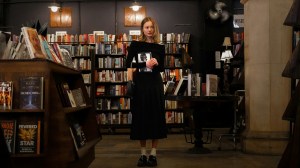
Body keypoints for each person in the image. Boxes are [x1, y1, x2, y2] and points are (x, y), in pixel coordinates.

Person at [126, 16, 167, 167]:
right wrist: (146, 63)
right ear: (142, 29)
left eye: (151, 27)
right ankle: (143, 154)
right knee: (141, 117)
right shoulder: (135, 45)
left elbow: (162, 68)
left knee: (156, 117)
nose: (149, 30)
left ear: (155, 29)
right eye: (146, 27)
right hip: (141, 85)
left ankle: (153, 154)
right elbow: (128, 64)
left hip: (155, 85)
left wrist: (156, 63)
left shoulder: (160, 47)